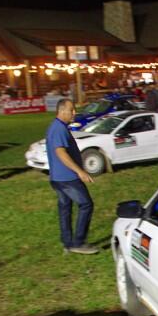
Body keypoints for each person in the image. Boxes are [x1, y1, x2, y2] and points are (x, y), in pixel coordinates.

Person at [46, 99, 98, 255]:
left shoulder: (58, 127)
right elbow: (60, 153)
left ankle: (67, 243)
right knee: (86, 204)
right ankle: (78, 242)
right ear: (62, 111)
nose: (74, 112)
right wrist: (80, 171)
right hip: (67, 178)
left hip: (58, 178)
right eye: (71, 110)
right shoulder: (58, 129)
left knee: (65, 208)